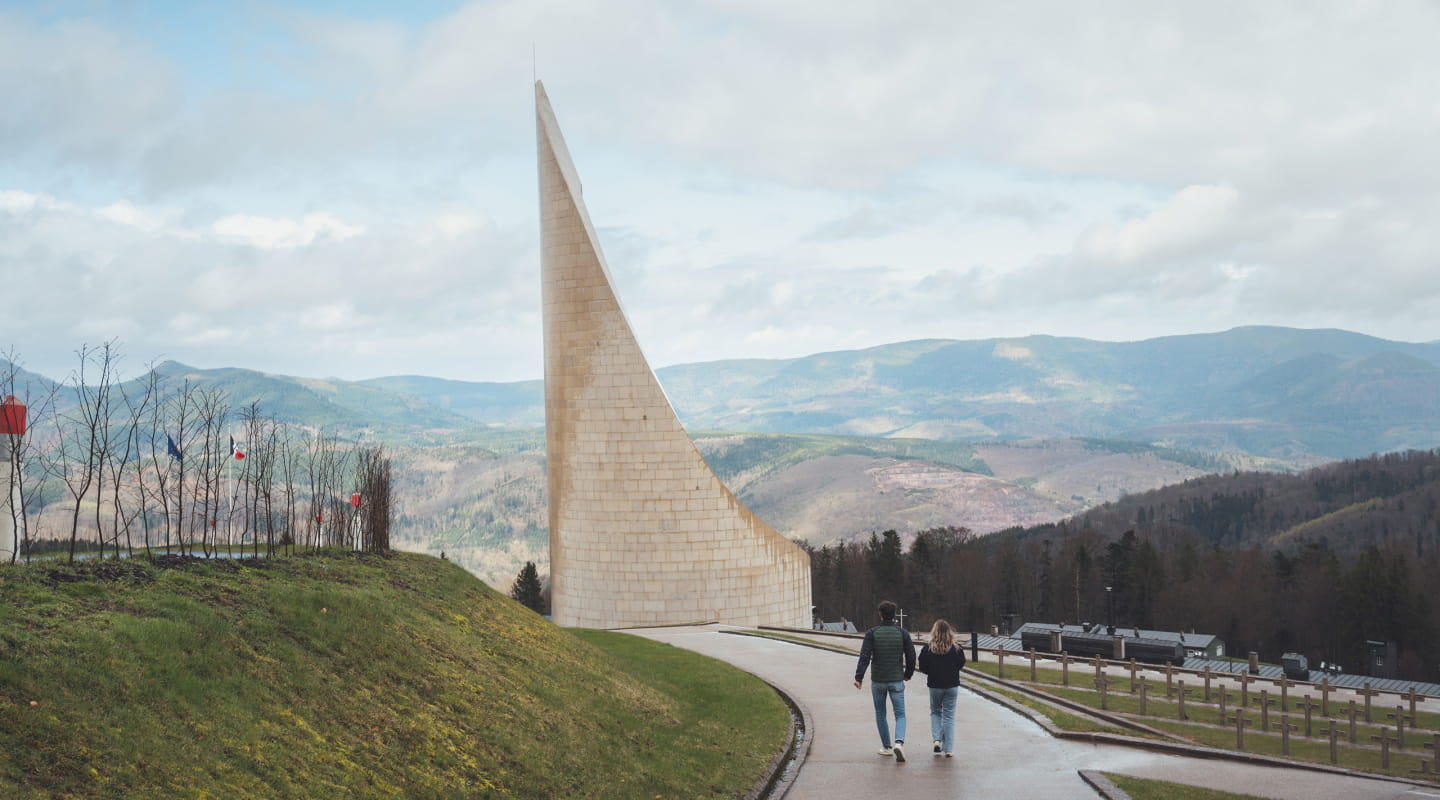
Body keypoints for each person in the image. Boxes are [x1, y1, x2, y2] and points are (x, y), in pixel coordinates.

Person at [853, 600, 916, 762]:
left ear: (880, 614)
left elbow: (865, 657)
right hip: (896, 679)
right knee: (900, 714)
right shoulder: (903, 633)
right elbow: (911, 656)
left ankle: (887, 747)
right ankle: (899, 742)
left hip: (878, 680)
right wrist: (908, 674)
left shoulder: (872, 633)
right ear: (894, 615)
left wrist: (858, 678)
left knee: (881, 713)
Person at [916, 619, 966, 757]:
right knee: (949, 716)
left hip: (935, 685)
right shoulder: (956, 648)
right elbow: (961, 663)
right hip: (952, 685)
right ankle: (948, 748)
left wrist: (932, 672)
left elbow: (922, 666)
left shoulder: (928, 648)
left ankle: (937, 739)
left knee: (936, 712)